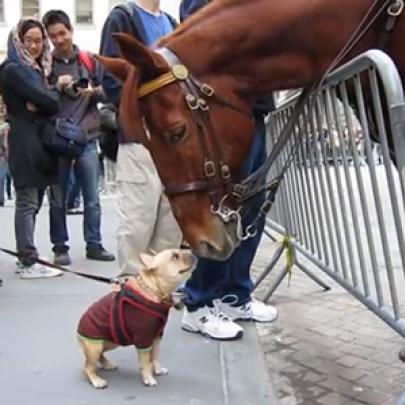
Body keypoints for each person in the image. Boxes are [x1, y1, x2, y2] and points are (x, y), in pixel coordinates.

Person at [179, 0, 278, 340]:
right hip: (225, 114)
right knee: (224, 211)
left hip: (255, 111)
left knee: (252, 211)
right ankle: (199, 303)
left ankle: (234, 295)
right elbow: (201, 39)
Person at [99, 0, 182, 276]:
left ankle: (156, 299)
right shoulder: (123, 17)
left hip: (172, 143)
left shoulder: (171, 23)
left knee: (170, 227)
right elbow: (111, 80)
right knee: (138, 223)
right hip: (140, 140)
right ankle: (131, 296)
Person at [42, 10, 115, 266]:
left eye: (62, 33)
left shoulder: (89, 60)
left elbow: (111, 91)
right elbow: (38, 99)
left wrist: (91, 92)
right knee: (58, 198)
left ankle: (93, 244)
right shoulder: (46, 65)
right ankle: (60, 247)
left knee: (92, 197)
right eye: (53, 36)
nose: (59, 40)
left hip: (87, 136)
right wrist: (55, 87)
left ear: (71, 30)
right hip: (59, 138)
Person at [0, 18, 63, 279]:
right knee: (26, 199)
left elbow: (51, 100)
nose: (35, 46)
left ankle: (29, 253)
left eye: (39, 40)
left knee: (34, 199)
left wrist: (46, 99)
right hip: (23, 138)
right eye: (29, 40)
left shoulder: (36, 69)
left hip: (35, 138)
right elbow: (48, 100)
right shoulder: (14, 69)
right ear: (18, 41)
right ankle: (26, 260)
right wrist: (46, 98)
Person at [0, 119, 10, 207]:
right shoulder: (6, 126)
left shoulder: (4, 127)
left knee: (1, 177)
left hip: (3, 155)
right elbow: (5, 144)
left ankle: (1, 198)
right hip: (5, 155)